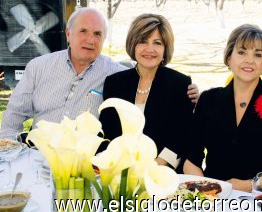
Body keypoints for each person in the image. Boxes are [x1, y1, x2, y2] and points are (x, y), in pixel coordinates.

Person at [1, 8, 199, 133]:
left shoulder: (114, 74)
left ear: (103, 39)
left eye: (97, 34)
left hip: (89, 163)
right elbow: (13, 118)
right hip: (40, 156)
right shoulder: (38, 67)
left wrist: (190, 93)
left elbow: (150, 70)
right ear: (68, 34)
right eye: (83, 32)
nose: (90, 40)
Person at [183, 24, 262, 191]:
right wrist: (207, 191)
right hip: (211, 197)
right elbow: (191, 156)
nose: (249, 60)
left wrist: (248, 186)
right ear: (229, 58)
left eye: (258, 54)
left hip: (259, 201)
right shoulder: (208, 99)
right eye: (241, 52)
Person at [99, 13, 196, 170]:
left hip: (162, 171)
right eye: (143, 41)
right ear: (133, 44)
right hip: (119, 170)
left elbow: (181, 136)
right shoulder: (114, 83)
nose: (149, 49)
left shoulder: (180, 83)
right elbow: (108, 132)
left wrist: (155, 166)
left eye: (157, 43)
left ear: (165, 49)